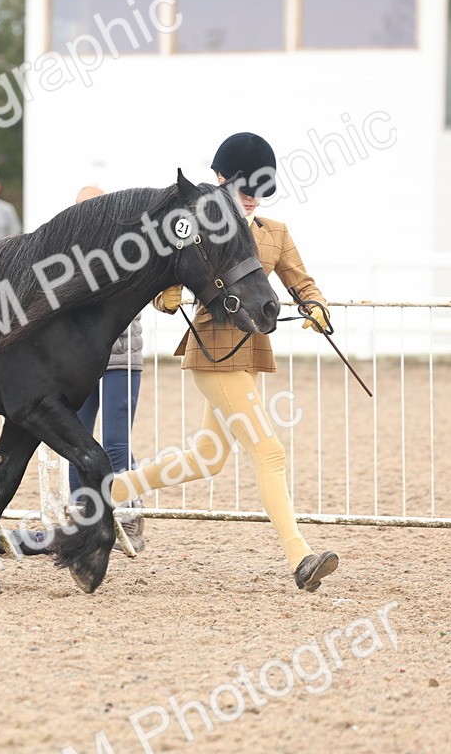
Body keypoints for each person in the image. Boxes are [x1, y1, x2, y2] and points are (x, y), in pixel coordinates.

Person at [109, 132, 339, 592]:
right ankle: (300, 556)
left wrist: (317, 308)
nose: (253, 199)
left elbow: (301, 282)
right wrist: (166, 296)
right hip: (213, 352)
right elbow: (163, 286)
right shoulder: (202, 230)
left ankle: (109, 493)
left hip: (251, 351)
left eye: (260, 191)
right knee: (268, 451)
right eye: (244, 189)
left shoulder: (275, 233)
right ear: (220, 180)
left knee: (207, 457)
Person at [5, 185, 146, 556]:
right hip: (77, 364)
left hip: (120, 359)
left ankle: (129, 512)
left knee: (116, 442)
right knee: (76, 441)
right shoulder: (66, 253)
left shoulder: (129, 249)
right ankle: (84, 518)